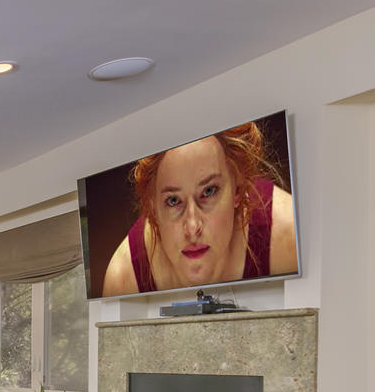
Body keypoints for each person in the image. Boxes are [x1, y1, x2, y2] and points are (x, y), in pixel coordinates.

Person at [101, 122, 297, 297]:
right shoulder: (123, 277)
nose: (193, 227)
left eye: (209, 191)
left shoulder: (289, 234)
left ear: (238, 189)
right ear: (153, 209)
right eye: (173, 200)